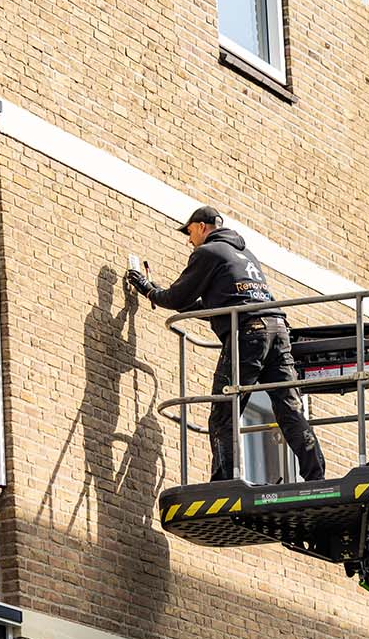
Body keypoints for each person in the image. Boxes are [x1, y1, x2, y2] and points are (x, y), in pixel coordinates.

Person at [126, 205, 325, 483]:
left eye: (190, 231)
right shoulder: (246, 255)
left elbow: (177, 297)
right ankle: (316, 475)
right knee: (288, 408)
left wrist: (148, 288)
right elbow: (217, 300)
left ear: (202, 226)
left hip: (249, 333)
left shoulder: (208, 252)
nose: (189, 239)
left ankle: (225, 482)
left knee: (223, 412)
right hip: (278, 330)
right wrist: (171, 301)